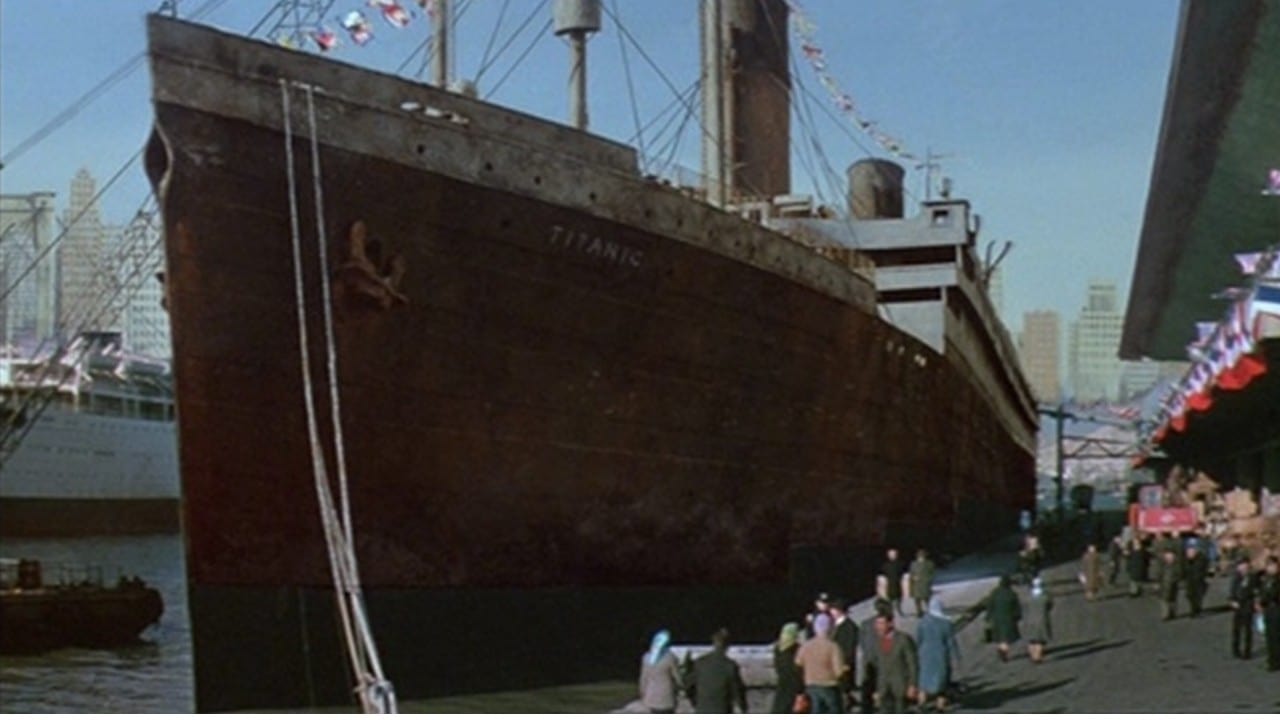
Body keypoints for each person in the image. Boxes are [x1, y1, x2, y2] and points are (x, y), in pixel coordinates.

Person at [915, 596, 960, 712]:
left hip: (925, 656)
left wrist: (918, 653)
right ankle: (940, 706)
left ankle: (921, 703)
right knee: (942, 682)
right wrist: (956, 657)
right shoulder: (946, 623)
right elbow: (950, 642)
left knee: (924, 681)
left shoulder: (923, 622)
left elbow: (919, 639)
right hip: (941, 656)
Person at [795, 612, 845, 713]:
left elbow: (798, 663)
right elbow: (839, 671)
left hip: (811, 686)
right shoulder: (833, 647)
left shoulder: (806, 646)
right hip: (829, 686)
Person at [689, 628, 747, 713]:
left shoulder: (700, 663)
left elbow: (689, 685)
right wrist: (743, 707)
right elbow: (737, 691)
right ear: (727, 646)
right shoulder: (729, 666)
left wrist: (695, 702)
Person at [873, 612, 918, 713]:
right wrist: (876, 689)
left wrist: (912, 684)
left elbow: (912, 663)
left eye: (881, 623)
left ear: (890, 624)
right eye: (877, 624)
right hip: (883, 687)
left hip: (900, 685)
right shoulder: (877, 641)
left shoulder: (903, 639)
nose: (878, 627)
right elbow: (878, 666)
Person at [858, 597, 891, 712]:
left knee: (868, 686)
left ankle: (866, 709)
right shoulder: (887, 624)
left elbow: (862, 642)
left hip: (869, 659)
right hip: (882, 658)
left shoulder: (865, 624)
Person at [638, 629, 682, 713]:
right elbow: (677, 677)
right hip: (667, 694)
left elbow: (644, 677)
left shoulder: (646, 657)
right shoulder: (670, 657)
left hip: (652, 694)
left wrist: (642, 691)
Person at [985, 575, 1022, 662]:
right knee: (1006, 637)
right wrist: (1017, 616)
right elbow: (1016, 607)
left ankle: (1002, 649)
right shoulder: (1012, 594)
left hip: (996, 619)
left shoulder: (994, 593)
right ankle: (1003, 650)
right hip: (1009, 619)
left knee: (1000, 636)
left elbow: (989, 605)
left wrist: (988, 617)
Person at [770, 622, 804, 714]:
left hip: (782, 684)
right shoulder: (796, 649)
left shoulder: (778, 648)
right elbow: (797, 670)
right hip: (793, 686)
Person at [830, 600, 858, 710]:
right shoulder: (833, 625)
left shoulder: (850, 627)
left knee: (843, 689)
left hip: (843, 662)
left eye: (833, 609)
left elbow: (850, 647)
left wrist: (847, 663)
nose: (831, 612)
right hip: (833, 662)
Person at [1227, 558, 1258, 660]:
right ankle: (1235, 649)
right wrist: (1232, 600)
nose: (1243, 568)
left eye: (1245, 566)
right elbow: (1232, 590)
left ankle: (1247, 651)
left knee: (1248, 629)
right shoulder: (1236, 577)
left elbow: (1256, 590)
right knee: (1236, 629)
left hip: (1248, 604)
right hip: (1238, 604)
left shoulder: (1252, 577)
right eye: (1241, 566)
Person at [1257, 555, 1280, 672]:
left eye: (1273, 566)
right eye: (1269, 566)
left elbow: (1273, 594)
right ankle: (1272, 659)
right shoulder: (1266, 579)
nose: (1271, 568)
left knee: (1276, 636)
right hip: (1268, 610)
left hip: (1276, 609)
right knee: (1269, 636)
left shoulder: (1277, 580)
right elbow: (1262, 591)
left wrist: (1262, 600)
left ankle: (1275, 662)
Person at [1024, 576, 1053, 663]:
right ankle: (1037, 656)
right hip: (1042, 619)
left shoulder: (1027, 597)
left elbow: (1024, 608)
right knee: (1040, 640)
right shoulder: (1045, 596)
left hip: (1029, 620)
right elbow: (1050, 606)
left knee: (1031, 640)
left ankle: (1033, 655)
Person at [1183, 540, 1210, 617]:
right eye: (1188, 551)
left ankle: (1197, 610)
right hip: (1190, 581)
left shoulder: (1202, 558)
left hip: (1200, 580)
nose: (1189, 553)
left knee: (1198, 595)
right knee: (1190, 596)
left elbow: (1208, 569)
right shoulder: (1186, 560)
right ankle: (1194, 610)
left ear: (1196, 550)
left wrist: (1208, 578)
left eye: (1191, 551)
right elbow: (1183, 570)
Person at [908, 549, 936, 617]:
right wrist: (913, 577)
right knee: (917, 599)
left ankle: (931, 611)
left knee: (927, 599)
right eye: (919, 556)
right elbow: (911, 573)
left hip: (925, 584)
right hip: (916, 585)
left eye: (922, 556)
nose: (921, 557)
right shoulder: (913, 564)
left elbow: (932, 574)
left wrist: (928, 580)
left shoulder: (929, 563)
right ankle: (919, 612)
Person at [1158, 548, 1184, 620]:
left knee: (1173, 599)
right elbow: (1159, 574)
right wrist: (1157, 583)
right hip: (1164, 584)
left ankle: (1172, 613)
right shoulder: (1162, 565)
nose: (1169, 558)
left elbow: (1180, 574)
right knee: (1164, 599)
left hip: (1173, 584)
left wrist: (1179, 581)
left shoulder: (1177, 565)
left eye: (1171, 556)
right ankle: (1165, 614)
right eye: (1167, 556)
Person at [883, 547, 905, 616]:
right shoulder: (886, 565)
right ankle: (890, 611)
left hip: (897, 583)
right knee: (890, 599)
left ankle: (899, 610)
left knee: (899, 598)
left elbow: (902, 572)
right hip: (890, 584)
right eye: (891, 555)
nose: (893, 556)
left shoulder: (900, 564)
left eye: (894, 554)